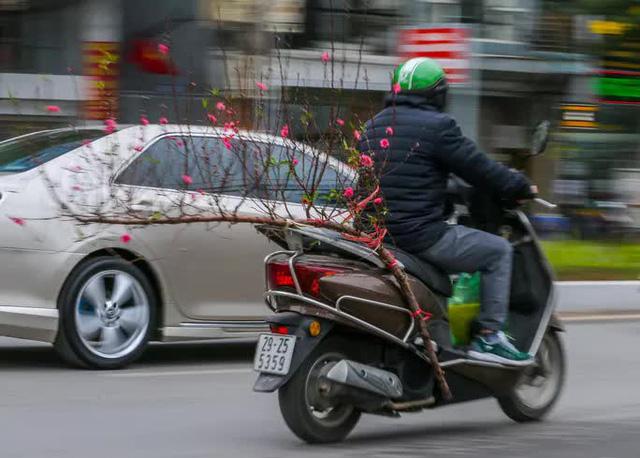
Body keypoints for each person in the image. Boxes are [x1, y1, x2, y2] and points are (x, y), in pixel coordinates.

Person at [358, 57, 535, 366]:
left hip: (377, 235)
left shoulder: (373, 125)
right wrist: (520, 186)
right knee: (498, 251)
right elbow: (481, 170)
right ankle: (490, 338)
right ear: (439, 94)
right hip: (419, 236)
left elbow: (401, 176)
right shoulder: (439, 126)